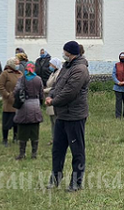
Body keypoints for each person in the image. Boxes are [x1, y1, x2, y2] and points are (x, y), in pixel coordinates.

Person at [45, 41, 90, 192]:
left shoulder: (80, 69)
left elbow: (70, 91)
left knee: (77, 151)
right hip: (62, 115)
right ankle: (55, 178)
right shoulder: (66, 66)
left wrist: (53, 101)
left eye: (65, 52)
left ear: (71, 53)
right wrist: (51, 95)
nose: (63, 54)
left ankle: (76, 182)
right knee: (58, 149)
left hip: (75, 116)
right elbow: (58, 85)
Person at [13, 63, 45, 160]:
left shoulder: (22, 79)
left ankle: (22, 154)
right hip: (35, 105)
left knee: (22, 131)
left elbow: (16, 91)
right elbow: (41, 94)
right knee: (35, 131)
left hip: (24, 105)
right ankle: (34, 154)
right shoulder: (38, 79)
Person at [0, 57, 23, 146]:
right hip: (9, 102)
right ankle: (5, 139)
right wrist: (7, 95)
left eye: (18, 63)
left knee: (17, 121)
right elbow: (1, 87)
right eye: (16, 63)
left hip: (18, 101)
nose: (18, 65)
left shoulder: (20, 73)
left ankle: (16, 137)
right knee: (7, 121)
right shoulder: (5, 73)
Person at [43, 57, 63, 145]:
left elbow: (56, 87)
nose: (50, 66)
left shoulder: (58, 74)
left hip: (54, 98)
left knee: (56, 121)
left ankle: (58, 139)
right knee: (52, 122)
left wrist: (44, 91)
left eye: (51, 64)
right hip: (49, 97)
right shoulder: (53, 73)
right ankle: (54, 138)